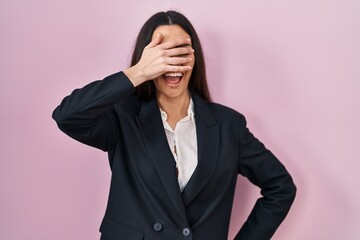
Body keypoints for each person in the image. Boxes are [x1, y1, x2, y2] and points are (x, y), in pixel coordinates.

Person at [52, 10, 296, 240]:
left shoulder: (228, 125)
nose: (173, 62)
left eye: (181, 50)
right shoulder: (122, 116)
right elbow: (67, 116)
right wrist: (139, 72)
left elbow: (280, 187)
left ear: (194, 57)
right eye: (162, 52)